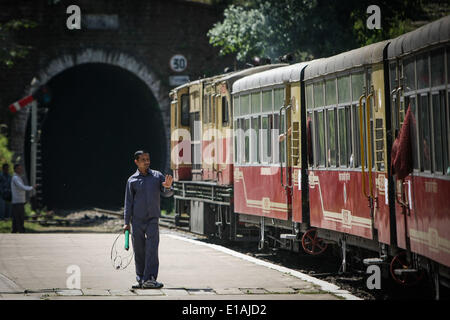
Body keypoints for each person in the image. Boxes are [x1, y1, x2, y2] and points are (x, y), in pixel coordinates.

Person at [123, 150, 173, 289]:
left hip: (152, 220)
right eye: (143, 159)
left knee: (151, 249)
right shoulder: (131, 181)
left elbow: (167, 193)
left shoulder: (157, 176)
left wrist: (168, 188)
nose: (147, 162)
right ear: (136, 162)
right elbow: (128, 203)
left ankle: (150, 278)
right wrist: (126, 223)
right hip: (137, 221)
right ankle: (140, 279)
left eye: (148, 159)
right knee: (139, 250)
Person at [11, 164, 35, 233]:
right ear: (15, 169)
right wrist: (32, 187)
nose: (21, 170)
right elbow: (22, 187)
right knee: (19, 218)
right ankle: (21, 231)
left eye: (21, 168)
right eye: (19, 168)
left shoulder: (18, 177)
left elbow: (22, 187)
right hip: (17, 202)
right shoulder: (15, 178)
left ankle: (14, 231)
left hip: (20, 201)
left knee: (16, 219)